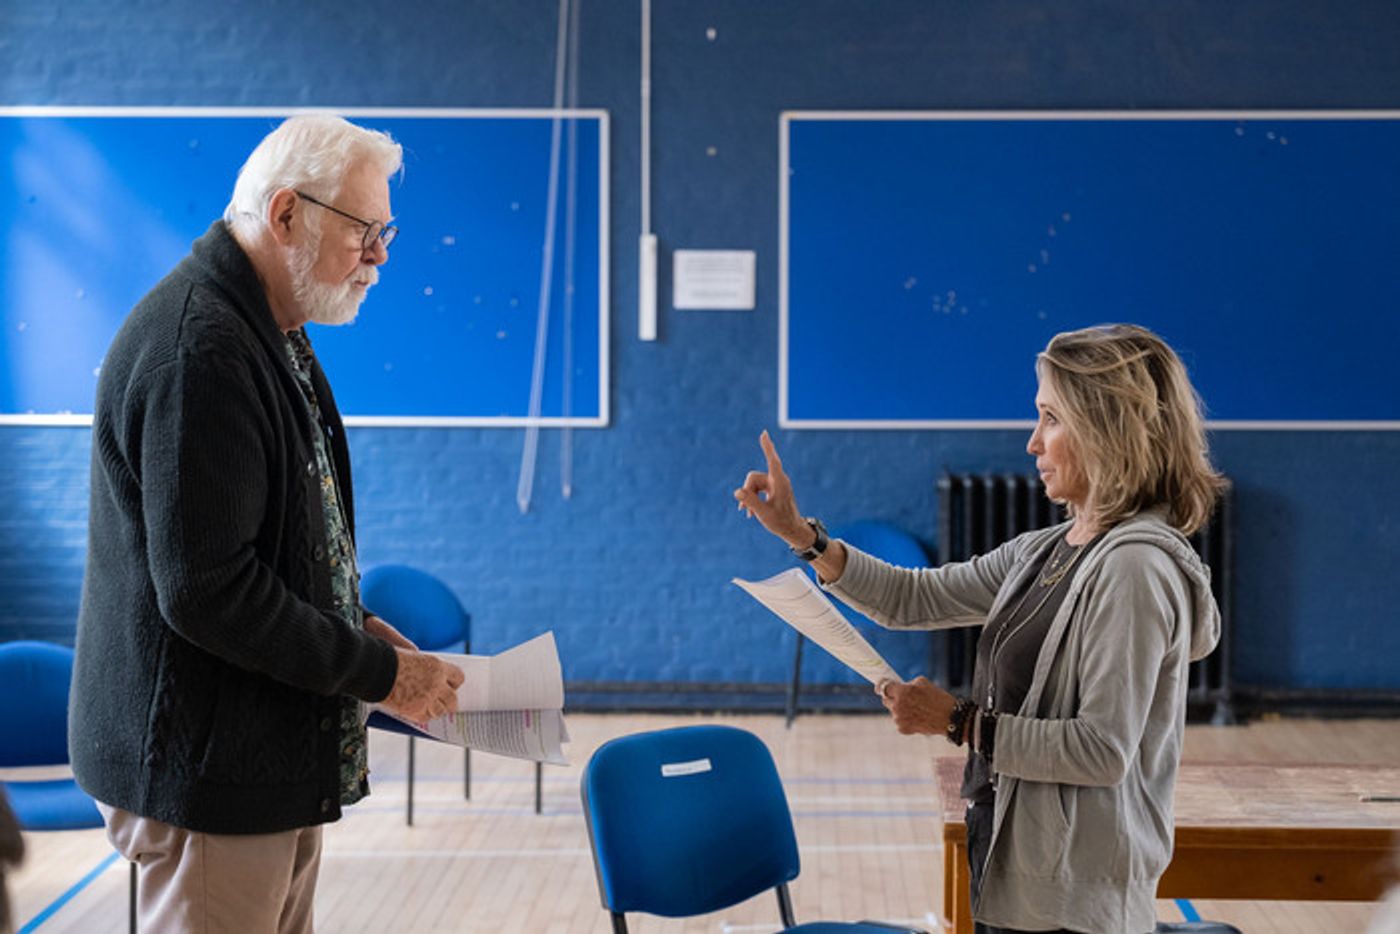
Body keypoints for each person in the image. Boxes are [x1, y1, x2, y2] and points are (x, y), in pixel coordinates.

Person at [70, 114, 464, 933]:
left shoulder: (266, 329)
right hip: (208, 775)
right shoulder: (202, 352)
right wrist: (379, 674)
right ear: (286, 215)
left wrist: (351, 626)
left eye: (384, 231)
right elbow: (211, 590)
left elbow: (266, 540)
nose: (381, 256)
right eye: (365, 231)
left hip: (257, 758)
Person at [735, 324, 1225, 934]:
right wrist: (802, 538)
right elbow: (910, 597)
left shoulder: (1134, 569)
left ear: (1107, 429)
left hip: (1077, 903)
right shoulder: (1047, 550)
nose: (1032, 443)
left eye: (1050, 419)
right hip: (1020, 872)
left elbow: (1102, 752)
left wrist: (957, 721)